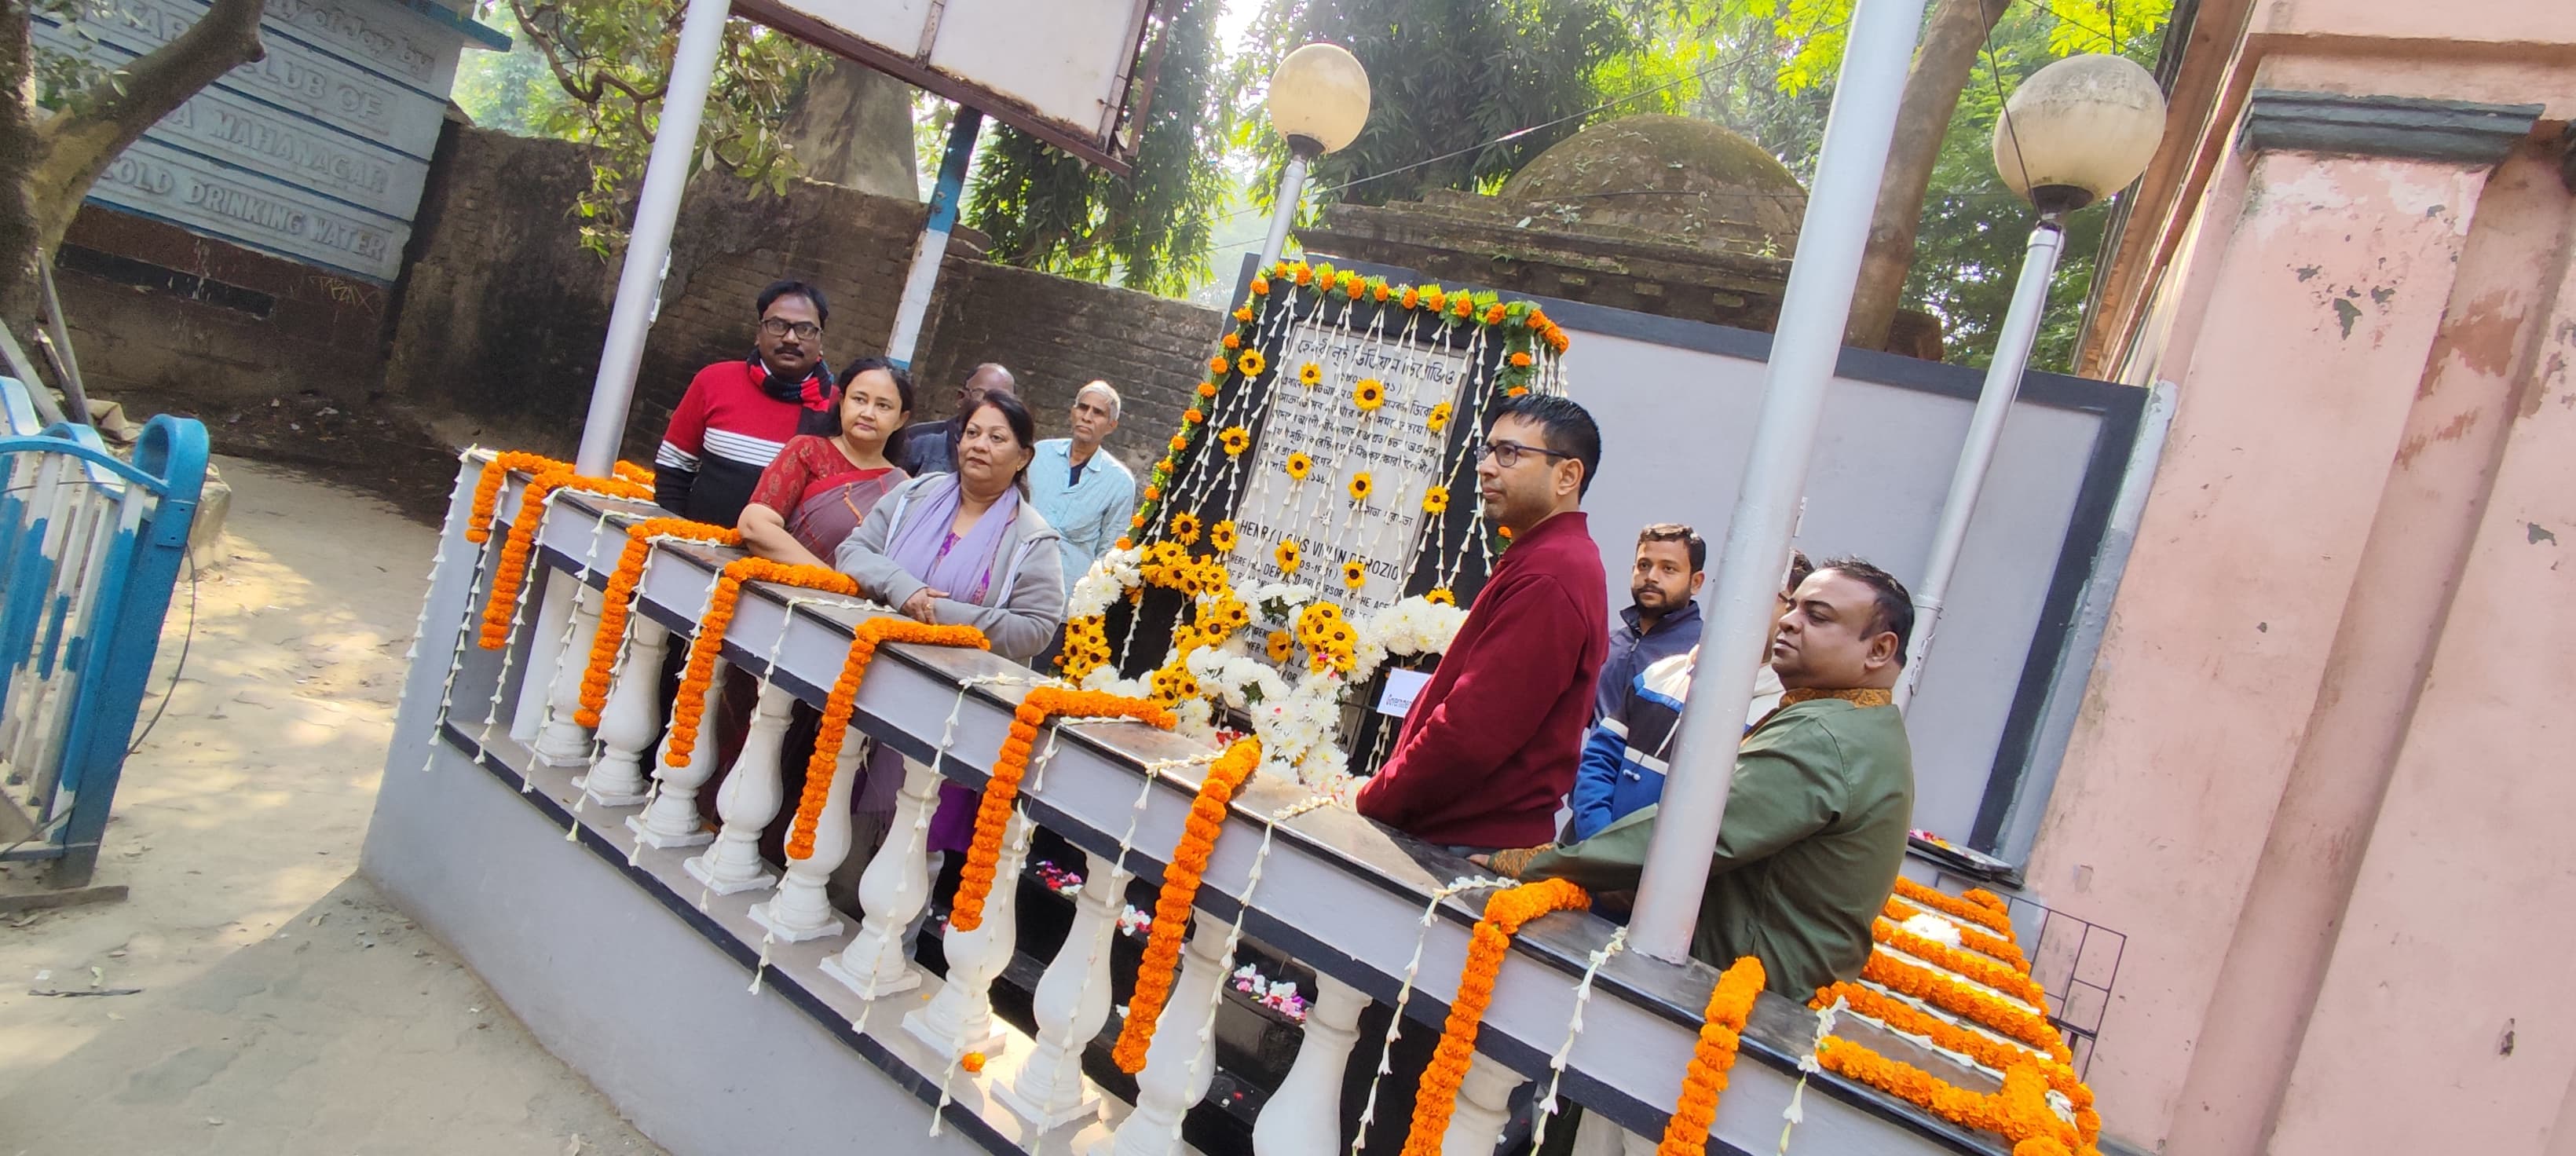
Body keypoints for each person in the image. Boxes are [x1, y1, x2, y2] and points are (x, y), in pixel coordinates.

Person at [1487, 558, 1916, 998]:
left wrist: (1528, 864)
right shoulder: (1855, 723)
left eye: (1818, 616)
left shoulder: (1826, 736)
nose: (1789, 621)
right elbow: (1605, 753)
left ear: (1879, 650)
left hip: (1745, 991)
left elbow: (1697, 835)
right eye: (1793, 607)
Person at [1353, 393, 1608, 854]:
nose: (1487, 467)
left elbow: (1473, 731)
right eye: (1487, 451)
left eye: (1510, 453)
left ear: (1568, 476)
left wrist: (1377, 799)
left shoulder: (1553, 573)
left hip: (1465, 841)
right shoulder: (1547, 557)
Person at [837, 390, 1066, 866]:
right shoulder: (913, 497)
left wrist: (944, 614)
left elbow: (1037, 627)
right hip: (872, 680)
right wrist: (904, 589)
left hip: (956, 709)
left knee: (918, 841)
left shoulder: (1032, 538)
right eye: (972, 433)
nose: (979, 445)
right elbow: (853, 552)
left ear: (1023, 457)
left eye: (997, 438)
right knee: (839, 807)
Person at [1565, 551, 1813, 843]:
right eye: (1732, 586)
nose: (1739, 600)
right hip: (1591, 851)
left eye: (1762, 592)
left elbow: (1738, 826)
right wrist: (1599, 841)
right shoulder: (1663, 675)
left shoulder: (1783, 716)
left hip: (1672, 869)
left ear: (1792, 614)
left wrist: (1631, 861)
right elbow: (1599, 759)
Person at [654, 279, 840, 526]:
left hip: (784, 551)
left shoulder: (838, 407)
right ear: (758, 334)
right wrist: (676, 534)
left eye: (805, 329)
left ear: (820, 341)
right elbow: (673, 466)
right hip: (697, 542)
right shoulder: (714, 381)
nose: (791, 338)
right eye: (778, 325)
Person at [737, 357, 915, 567]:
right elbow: (754, 524)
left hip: (858, 589)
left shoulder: (905, 491)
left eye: (883, 406)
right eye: (859, 399)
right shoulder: (808, 452)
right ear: (842, 402)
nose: (868, 414)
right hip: (778, 583)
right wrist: (829, 579)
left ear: (901, 419)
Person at [1027, 381, 1136, 591]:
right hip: (1015, 573)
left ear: (1111, 426)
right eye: (1083, 408)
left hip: (1066, 591)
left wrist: (1088, 598)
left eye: (1098, 413)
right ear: (1072, 412)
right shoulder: (1040, 454)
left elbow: (1110, 551)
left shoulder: (1120, 482)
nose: (1087, 417)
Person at [1595, 525, 1706, 722]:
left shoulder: (1704, 651)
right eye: (1644, 565)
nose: (1651, 577)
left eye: (1668, 569)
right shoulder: (1610, 644)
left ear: (1696, 582)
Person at [895, 363, 1015, 477]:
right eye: (981, 394)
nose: (991, 405)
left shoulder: (1012, 453)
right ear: (960, 398)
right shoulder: (918, 439)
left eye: (1003, 399)